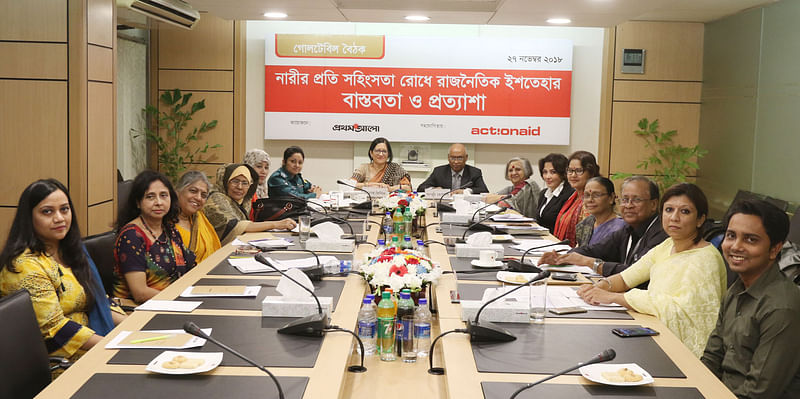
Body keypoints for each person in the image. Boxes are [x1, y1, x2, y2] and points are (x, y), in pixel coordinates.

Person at [577, 183, 727, 357]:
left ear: (700, 219)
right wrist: (599, 288)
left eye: (685, 212)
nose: (674, 217)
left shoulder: (705, 259)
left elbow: (681, 312)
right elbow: (627, 277)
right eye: (669, 210)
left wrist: (614, 297)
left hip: (682, 352)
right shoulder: (668, 244)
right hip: (654, 331)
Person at [0, 179, 125, 362]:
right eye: (47, 211)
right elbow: (56, 329)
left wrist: (132, 331)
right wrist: (112, 345)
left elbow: (99, 301)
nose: (59, 218)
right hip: (63, 361)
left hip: (94, 346)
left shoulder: (71, 251)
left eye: (64, 209)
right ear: (29, 218)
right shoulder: (25, 266)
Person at [701, 199, 800, 398]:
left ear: (774, 249)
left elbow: (760, 392)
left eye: (750, 239)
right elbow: (712, 357)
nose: (736, 246)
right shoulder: (736, 290)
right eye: (731, 236)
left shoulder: (781, 308)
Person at [539, 176, 668, 278]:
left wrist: (590, 263)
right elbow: (594, 250)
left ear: (653, 204)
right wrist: (563, 257)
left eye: (636, 200)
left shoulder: (661, 233)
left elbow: (635, 273)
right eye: (625, 199)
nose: (628, 205)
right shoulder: (628, 229)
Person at [113, 171, 196, 303]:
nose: (158, 202)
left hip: (174, 303)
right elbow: (140, 293)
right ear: (138, 203)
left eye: (163, 195)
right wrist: (178, 300)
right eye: (150, 197)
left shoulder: (169, 229)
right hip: (138, 310)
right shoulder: (131, 236)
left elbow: (189, 268)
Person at [206, 163, 297, 245]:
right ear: (225, 182)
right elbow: (237, 226)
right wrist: (276, 224)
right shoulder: (216, 199)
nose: (240, 187)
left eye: (245, 183)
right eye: (235, 181)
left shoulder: (244, 202)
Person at [553, 151, 600, 246]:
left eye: (579, 171)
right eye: (570, 170)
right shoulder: (574, 196)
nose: (573, 175)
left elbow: (587, 237)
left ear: (591, 173)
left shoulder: (592, 200)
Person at [175, 171, 221, 263]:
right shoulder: (165, 222)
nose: (198, 198)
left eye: (203, 195)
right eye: (193, 191)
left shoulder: (199, 217)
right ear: (178, 191)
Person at [574, 177, 626, 247]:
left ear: (611, 198)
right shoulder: (586, 223)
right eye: (586, 195)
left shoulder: (621, 227)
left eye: (596, 195)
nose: (590, 200)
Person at [416, 143, 488, 193]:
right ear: (448, 157)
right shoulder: (439, 171)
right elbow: (421, 188)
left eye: (460, 158)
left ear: (466, 158)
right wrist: (433, 189)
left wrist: (466, 191)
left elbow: (484, 190)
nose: (456, 162)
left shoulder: (474, 172)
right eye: (453, 158)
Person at [534, 153, 574, 232]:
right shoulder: (543, 193)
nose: (548, 176)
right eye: (545, 172)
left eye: (553, 172)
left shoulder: (569, 194)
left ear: (563, 173)